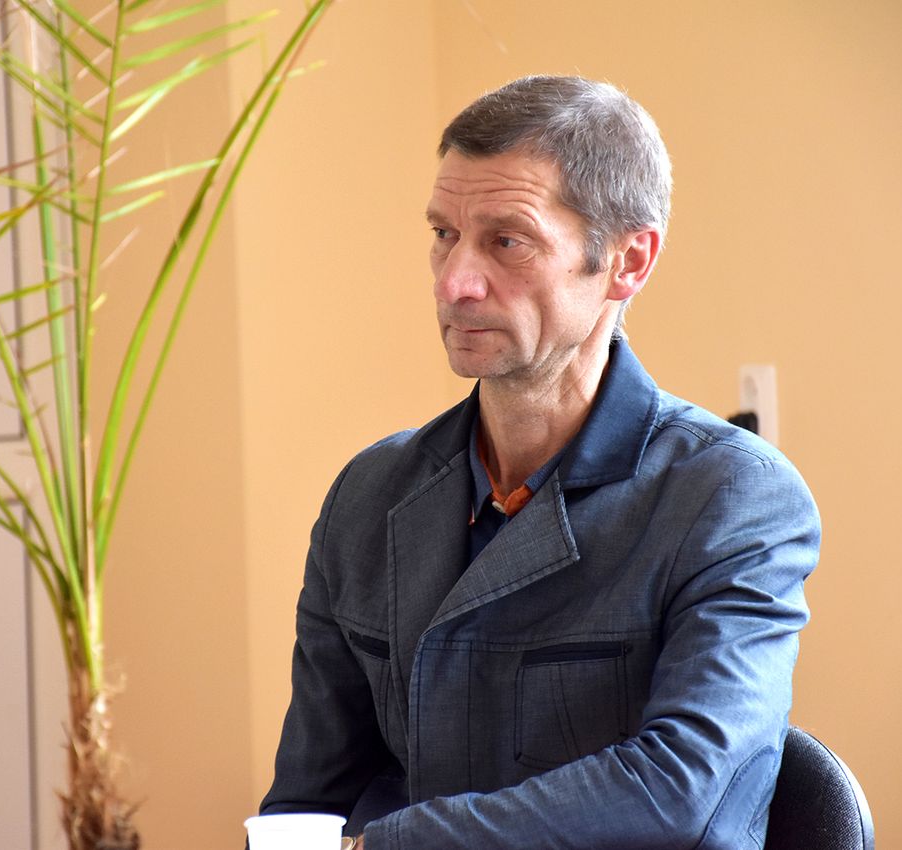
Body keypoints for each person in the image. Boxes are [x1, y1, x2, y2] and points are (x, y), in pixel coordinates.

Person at [258, 75, 820, 849]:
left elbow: (681, 791)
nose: (454, 282)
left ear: (627, 261)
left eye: (506, 241)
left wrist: (389, 845)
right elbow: (304, 807)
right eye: (444, 234)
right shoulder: (367, 496)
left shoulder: (732, 497)